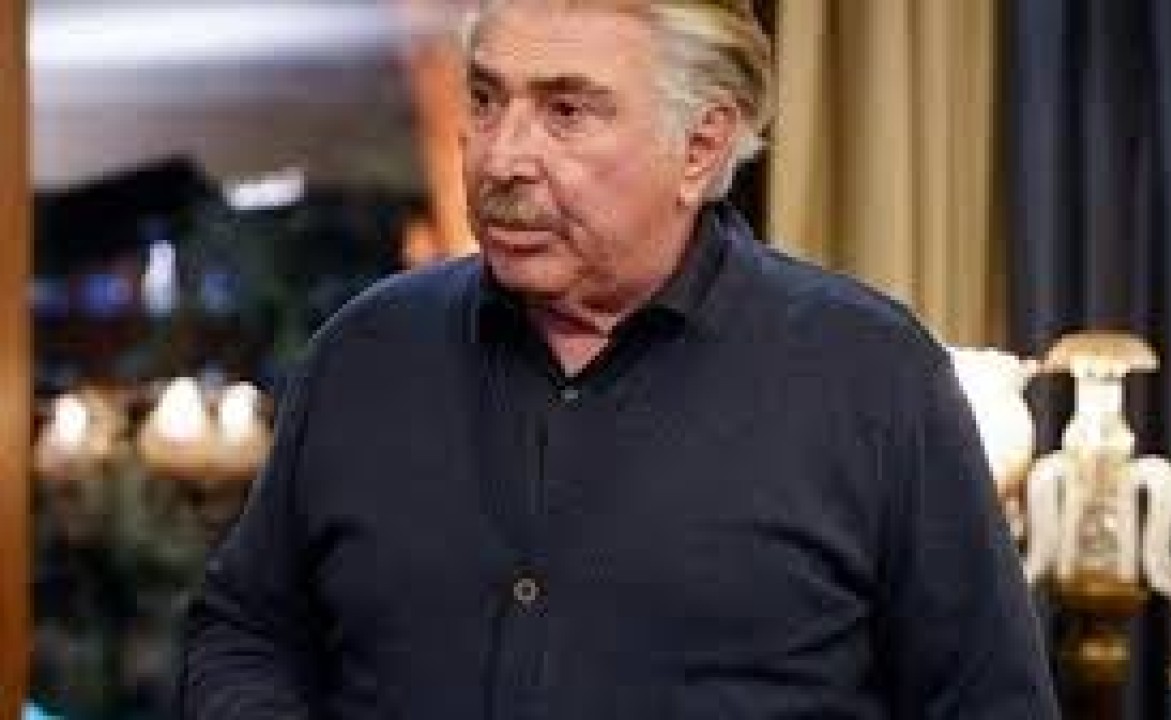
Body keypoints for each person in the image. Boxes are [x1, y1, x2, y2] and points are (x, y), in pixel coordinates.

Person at [180, 1, 1059, 717]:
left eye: (565, 111)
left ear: (701, 147)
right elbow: (247, 633)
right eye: (486, 99)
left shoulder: (871, 379)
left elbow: (987, 702)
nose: (502, 157)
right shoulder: (365, 356)